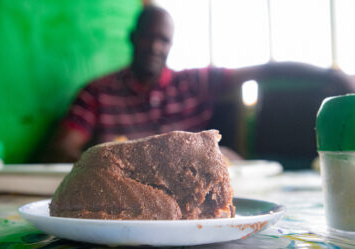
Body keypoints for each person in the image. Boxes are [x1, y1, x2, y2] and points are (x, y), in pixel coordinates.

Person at [43, 5, 259, 162]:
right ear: (133, 37)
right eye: (148, 37)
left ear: (171, 45)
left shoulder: (193, 83)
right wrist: (111, 165)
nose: (155, 47)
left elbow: (256, 73)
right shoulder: (97, 93)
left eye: (163, 40)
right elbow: (59, 149)